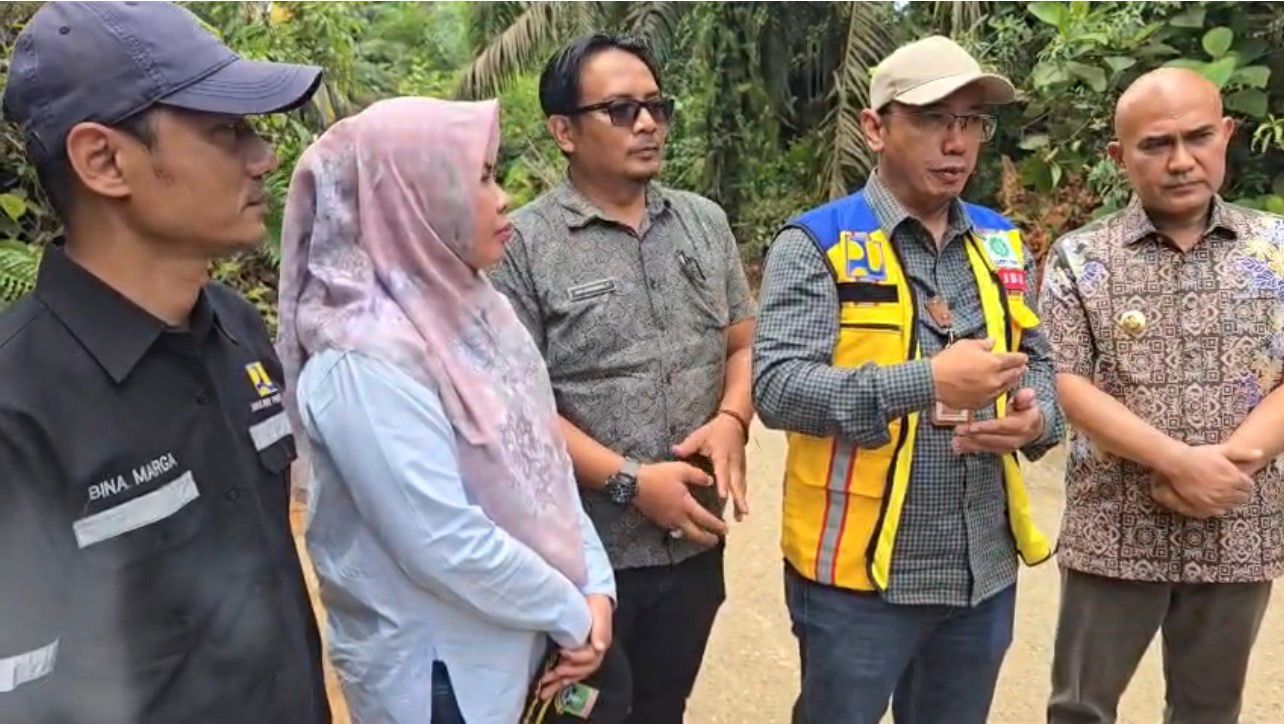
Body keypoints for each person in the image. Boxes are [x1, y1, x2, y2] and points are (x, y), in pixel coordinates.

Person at [0, 2, 328, 721]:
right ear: (103, 160)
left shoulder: (238, 330)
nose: (264, 158)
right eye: (226, 130)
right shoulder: (18, 411)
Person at [277, 97, 622, 724]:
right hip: (445, 675)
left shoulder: (476, 312)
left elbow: (542, 464)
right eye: (481, 179)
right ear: (412, 200)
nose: (503, 198)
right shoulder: (361, 360)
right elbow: (440, 541)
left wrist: (594, 586)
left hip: (530, 640)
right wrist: (573, 613)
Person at [753, 35, 1065, 724]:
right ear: (875, 128)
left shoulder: (1002, 241)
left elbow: (1041, 359)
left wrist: (1036, 416)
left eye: (971, 122)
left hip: (980, 569)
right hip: (856, 579)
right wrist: (927, 382)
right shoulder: (817, 244)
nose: (955, 143)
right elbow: (776, 388)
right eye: (931, 120)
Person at [488, 33, 757, 724]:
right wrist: (632, 483)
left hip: (693, 544)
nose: (647, 124)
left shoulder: (703, 224)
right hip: (581, 562)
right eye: (620, 109)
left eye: (656, 107)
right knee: (583, 714)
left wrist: (732, 417)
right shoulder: (521, 247)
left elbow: (741, 342)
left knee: (664, 707)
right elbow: (514, 407)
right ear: (564, 131)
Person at [1042, 67, 1284, 724]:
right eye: (1155, 144)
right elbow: (1065, 378)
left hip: (1238, 523)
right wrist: (1176, 462)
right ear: (1119, 156)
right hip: (1113, 526)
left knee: (1209, 709)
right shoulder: (1080, 259)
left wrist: (1224, 467)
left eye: (1198, 137)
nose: (1181, 161)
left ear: (1226, 134)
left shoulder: (1275, 249)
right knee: (1080, 708)